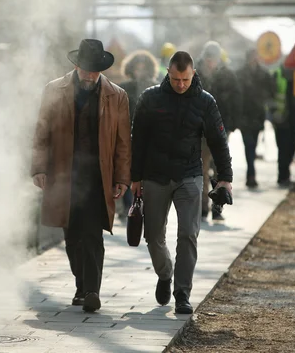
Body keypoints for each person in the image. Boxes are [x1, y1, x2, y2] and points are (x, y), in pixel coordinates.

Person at [31, 39, 131, 313]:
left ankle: (92, 291)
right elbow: (42, 132)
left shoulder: (117, 95)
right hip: (64, 174)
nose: (89, 75)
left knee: (93, 234)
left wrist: (122, 178)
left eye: (94, 70)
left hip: (100, 175)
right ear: (76, 65)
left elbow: (123, 142)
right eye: (85, 69)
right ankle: (81, 285)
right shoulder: (54, 90)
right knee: (72, 234)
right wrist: (39, 168)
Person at [130, 51, 233, 314]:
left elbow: (218, 142)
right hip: (155, 175)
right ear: (168, 72)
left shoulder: (205, 102)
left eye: (186, 80)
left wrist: (225, 179)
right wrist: (135, 177)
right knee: (153, 237)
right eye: (176, 79)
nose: (181, 85)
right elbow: (137, 140)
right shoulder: (150, 98)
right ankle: (165, 274)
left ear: (193, 74)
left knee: (188, 234)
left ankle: (182, 293)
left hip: (190, 175)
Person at [195, 41, 241, 221]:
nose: (210, 62)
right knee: (202, 169)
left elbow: (236, 100)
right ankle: (202, 208)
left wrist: (233, 123)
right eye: (208, 58)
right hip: (201, 130)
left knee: (219, 169)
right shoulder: (195, 74)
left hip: (221, 129)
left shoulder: (227, 75)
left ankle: (217, 207)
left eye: (213, 58)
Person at [117, 50, 160, 218]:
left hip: (151, 137)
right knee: (129, 171)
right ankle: (129, 205)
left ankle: (146, 204)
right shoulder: (124, 89)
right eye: (137, 68)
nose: (140, 71)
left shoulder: (156, 88)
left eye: (143, 68)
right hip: (128, 135)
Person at [236, 49, 277, 188]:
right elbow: (235, 93)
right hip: (244, 116)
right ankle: (251, 174)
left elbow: (272, 90)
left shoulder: (263, 74)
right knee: (249, 145)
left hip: (258, 115)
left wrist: (265, 100)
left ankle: (251, 172)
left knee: (253, 145)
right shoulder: (240, 74)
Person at [269, 64, 295, 187]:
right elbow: (270, 95)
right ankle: (283, 176)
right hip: (281, 119)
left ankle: (285, 174)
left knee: (291, 148)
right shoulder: (277, 74)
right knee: (283, 148)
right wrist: (273, 113)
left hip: (294, 119)